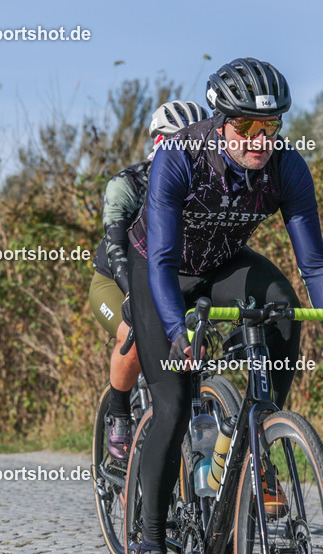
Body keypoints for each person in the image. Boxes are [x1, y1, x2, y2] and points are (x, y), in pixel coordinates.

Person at [126, 57, 323, 554]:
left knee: (281, 306)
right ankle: (149, 546)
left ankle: (252, 444)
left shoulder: (286, 167)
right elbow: (162, 259)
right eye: (247, 127)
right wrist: (178, 332)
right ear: (220, 121)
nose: (261, 139)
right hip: (160, 271)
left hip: (221, 265)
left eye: (272, 126)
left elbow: (315, 264)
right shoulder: (179, 156)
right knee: (174, 399)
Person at [89, 100, 208, 460]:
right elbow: (116, 248)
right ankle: (120, 412)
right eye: (178, 143)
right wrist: (132, 296)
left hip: (172, 278)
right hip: (115, 277)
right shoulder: (127, 184)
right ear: (158, 144)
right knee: (136, 332)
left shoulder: (207, 187)